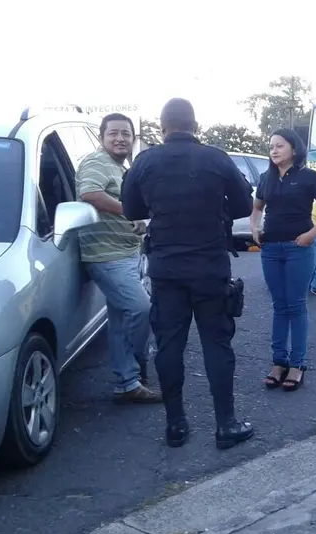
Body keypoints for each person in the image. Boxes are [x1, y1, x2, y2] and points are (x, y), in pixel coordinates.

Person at [121, 98, 255, 450]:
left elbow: (130, 208)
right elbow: (243, 205)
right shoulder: (216, 157)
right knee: (216, 342)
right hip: (210, 266)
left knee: (169, 345)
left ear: (162, 128)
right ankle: (226, 424)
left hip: (166, 268)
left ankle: (175, 426)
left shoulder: (145, 161)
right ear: (195, 126)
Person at [76, 113, 161, 404]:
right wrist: (129, 212)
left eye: (126, 133)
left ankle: (127, 382)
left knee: (119, 319)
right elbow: (90, 193)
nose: (120, 138)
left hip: (126, 251)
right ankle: (138, 362)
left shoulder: (121, 166)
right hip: (106, 254)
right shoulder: (96, 162)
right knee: (141, 309)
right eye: (113, 133)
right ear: (102, 137)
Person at [251, 129, 316, 392]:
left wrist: (311, 235)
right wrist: (254, 228)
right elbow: (256, 208)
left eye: (280, 146)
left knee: (296, 305)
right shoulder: (266, 178)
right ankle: (279, 362)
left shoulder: (310, 177)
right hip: (270, 249)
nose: (274, 150)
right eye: (272, 146)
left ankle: (297, 365)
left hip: (298, 248)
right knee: (279, 306)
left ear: (294, 149)